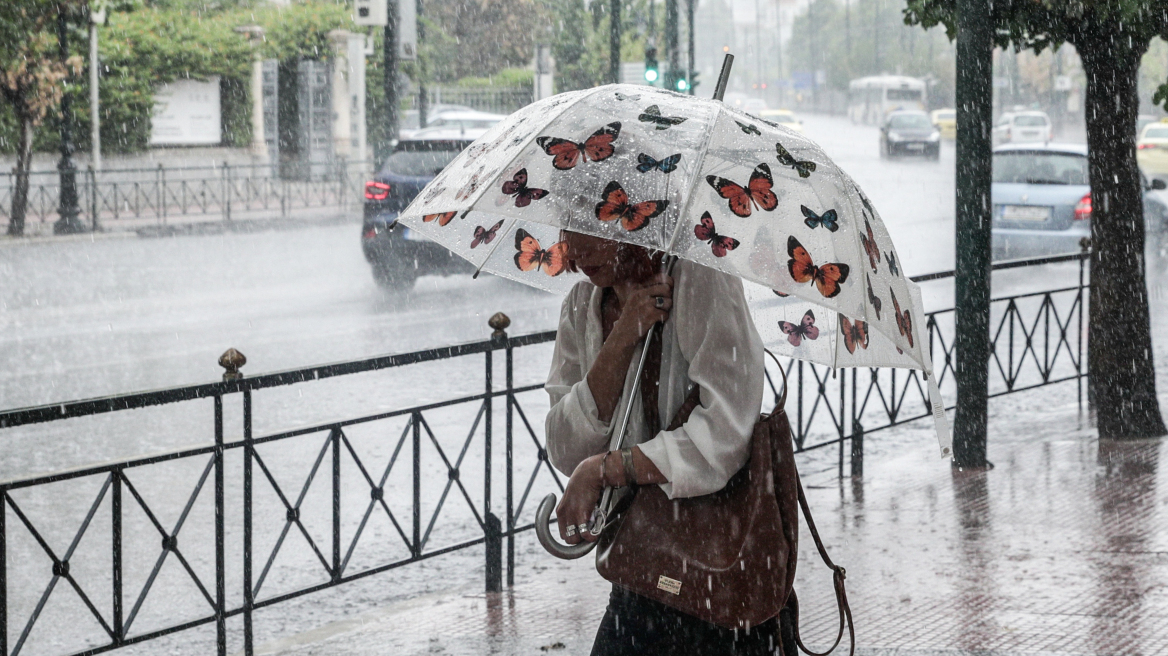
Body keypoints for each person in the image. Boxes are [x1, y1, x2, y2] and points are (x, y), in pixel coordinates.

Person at [544, 231, 777, 655]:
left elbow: (725, 434)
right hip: (639, 563)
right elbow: (565, 446)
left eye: (589, 227)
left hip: (720, 566)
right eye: (567, 227)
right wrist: (621, 337)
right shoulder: (581, 304)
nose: (574, 250)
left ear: (631, 219)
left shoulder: (701, 276)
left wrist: (604, 469)